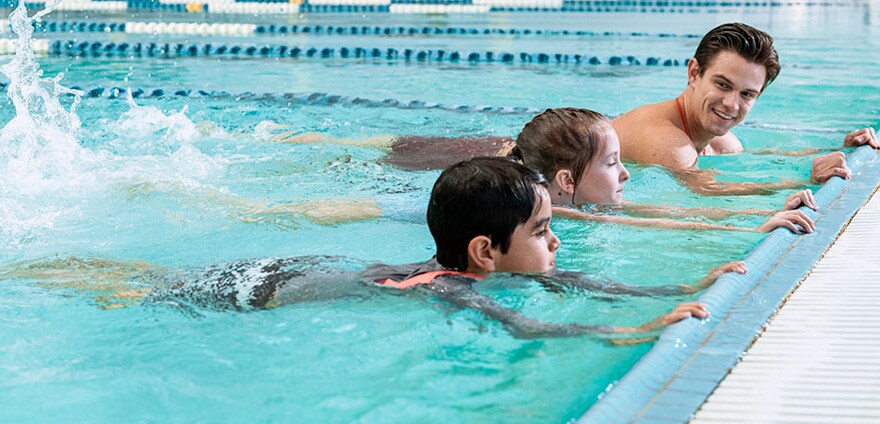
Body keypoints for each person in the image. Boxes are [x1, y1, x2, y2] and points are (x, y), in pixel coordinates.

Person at [8, 158, 726, 341]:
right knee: (129, 287)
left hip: (304, 267)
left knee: (139, 277)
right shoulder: (452, 288)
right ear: (485, 251)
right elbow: (532, 325)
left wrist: (693, 281)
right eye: (541, 232)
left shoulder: (480, 265)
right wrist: (632, 333)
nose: (555, 242)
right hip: (259, 288)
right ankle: (38, 270)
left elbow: (574, 284)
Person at [611, 22, 880, 195]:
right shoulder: (665, 139)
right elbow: (707, 193)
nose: (732, 104)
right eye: (722, 85)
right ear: (694, 73)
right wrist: (806, 181)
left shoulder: (720, 141)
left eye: (747, 94)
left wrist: (843, 147)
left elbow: (767, 156)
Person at [510, 107, 817, 234]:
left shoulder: (576, 196)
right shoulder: (555, 212)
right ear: (566, 180)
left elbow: (668, 212)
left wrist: (765, 211)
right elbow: (658, 223)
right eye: (611, 162)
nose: (626, 173)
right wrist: (747, 231)